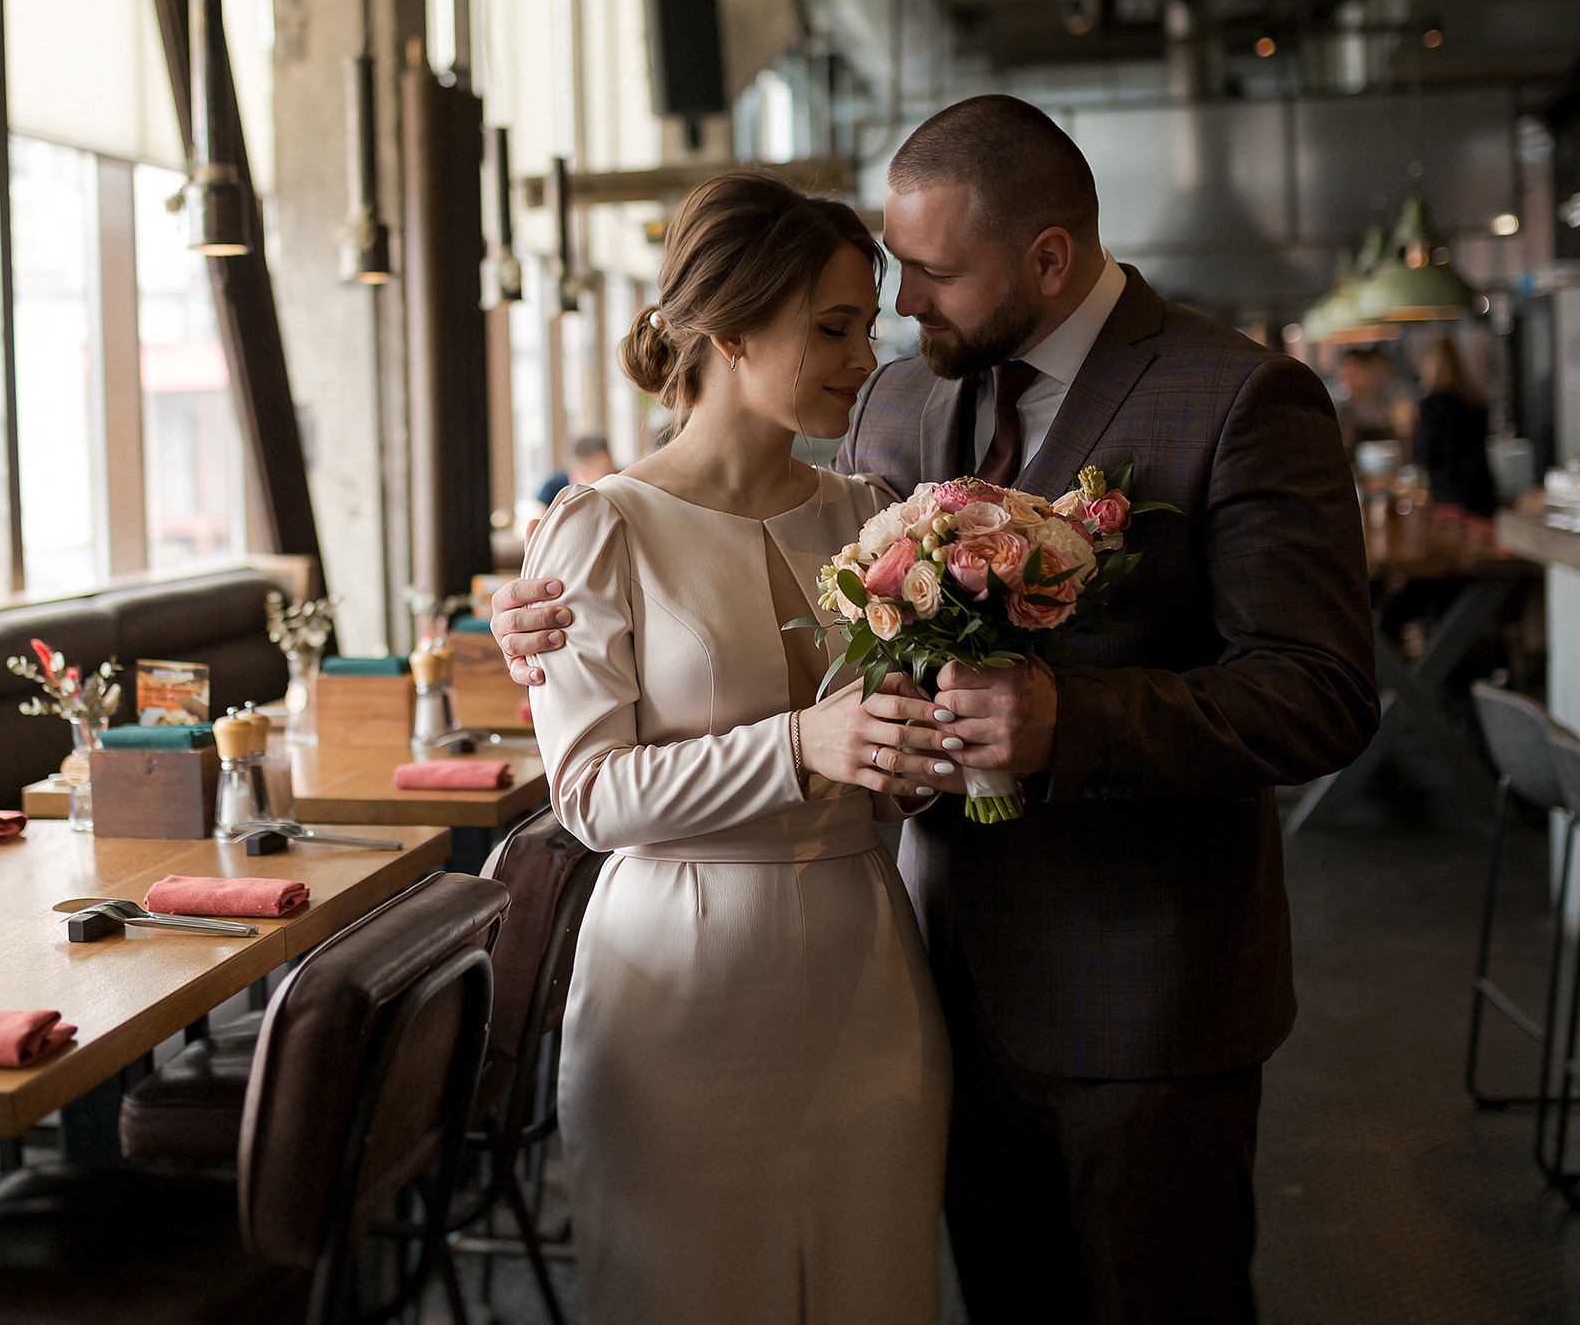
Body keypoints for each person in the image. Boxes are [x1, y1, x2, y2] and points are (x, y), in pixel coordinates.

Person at [496, 96, 1378, 1323]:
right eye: (868, 301)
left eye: (927, 274)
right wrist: (543, 625)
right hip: (926, 967)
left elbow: (1323, 691)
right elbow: (758, 622)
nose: (901, 317)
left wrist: (1070, 723)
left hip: (1137, 988)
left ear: (1048, 257)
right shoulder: (895, 416)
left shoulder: (1239, 396)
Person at [520, 173, 958, 1323]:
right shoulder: (600, 525)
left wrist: (915, 765)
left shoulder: (872, 513)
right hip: (680, 980)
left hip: (869, 961)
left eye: (867, 325)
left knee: (877, 1287)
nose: (865, 356)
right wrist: (802, 744)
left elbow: (883, 769)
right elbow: (588, 794)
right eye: (831, 327)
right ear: (726, 328)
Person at [1412, 335, 1498, 517]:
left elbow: (1425, 455)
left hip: (1448, 497)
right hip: (1481, 493)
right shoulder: (1475, 401)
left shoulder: (1431, 404)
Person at [1333, 345, 1410, 449]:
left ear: (1370, 372)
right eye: (1346, 376)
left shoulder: (1393, 405)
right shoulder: (1342, 411)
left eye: (1354, 375)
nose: (1350, 382)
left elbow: (1405, 439)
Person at [536, 433, 615, 508]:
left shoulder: (616, 482)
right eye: (605, 467)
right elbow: (537, 515)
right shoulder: (553, 488)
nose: (612, 470)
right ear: (581, 472)